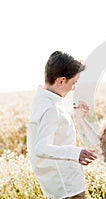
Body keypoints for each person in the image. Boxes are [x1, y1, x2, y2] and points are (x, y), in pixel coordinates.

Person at [27, 51, 97, 199]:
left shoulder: (43, 99)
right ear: (61, 81)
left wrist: (76, 113)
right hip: (66, 186)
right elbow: (40, 147)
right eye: (73, 83)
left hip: (58, 182)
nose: (74, 88)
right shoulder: (51, 108)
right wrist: (75, 153)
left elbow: (55, 126)